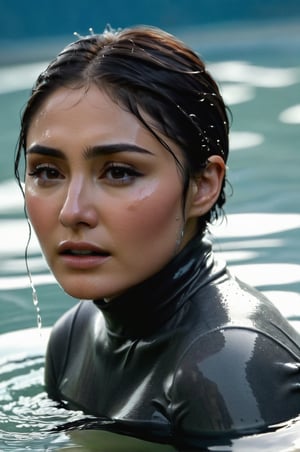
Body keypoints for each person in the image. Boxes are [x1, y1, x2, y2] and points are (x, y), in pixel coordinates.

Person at [15, 25, 300, 449]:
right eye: (48, 172)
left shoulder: (226, 361)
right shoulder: (72, 337)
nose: (72, 211)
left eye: (119, 172)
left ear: (204, 186)